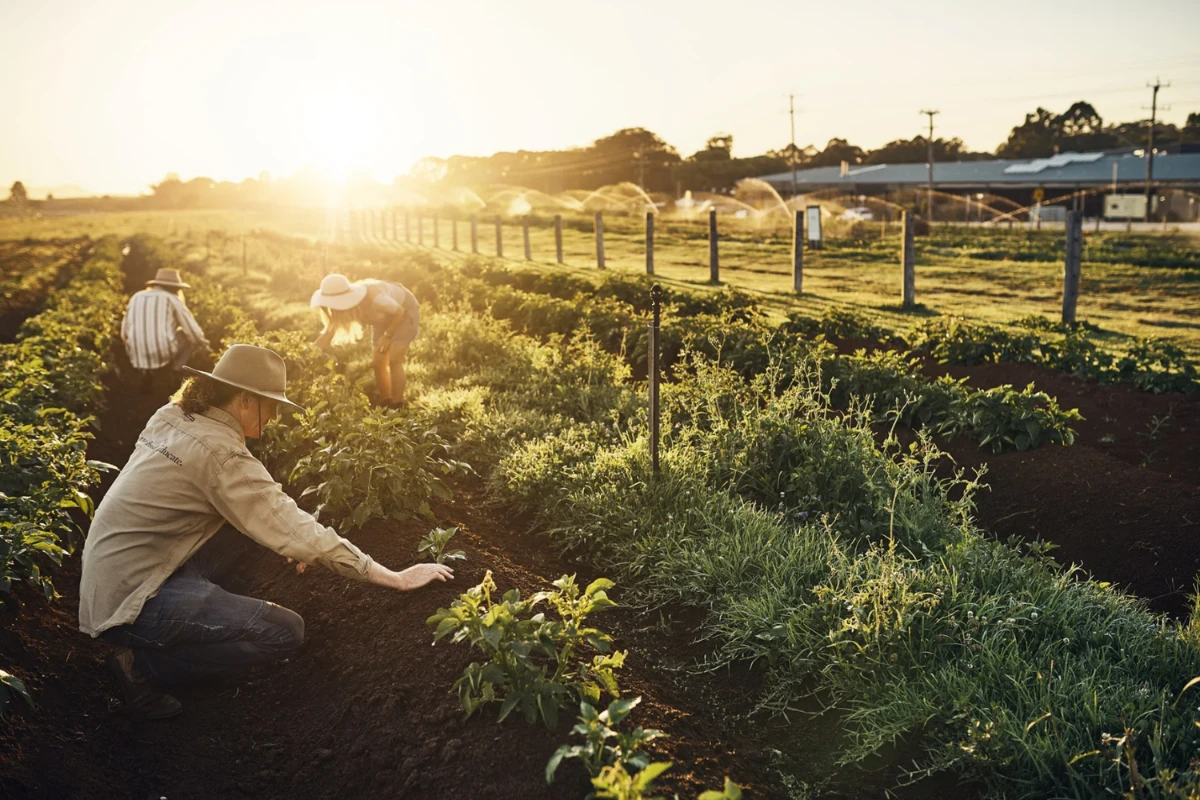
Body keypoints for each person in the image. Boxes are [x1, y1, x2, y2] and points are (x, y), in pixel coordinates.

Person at [79, 344, 453, 720]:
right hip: (133, 603)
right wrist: (393, 577)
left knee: (253, 535)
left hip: (112, 574)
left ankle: (204, 616)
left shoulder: (173, 415)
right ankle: (142, 667)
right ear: (244, 400)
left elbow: (262, 515)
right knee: (284, 631)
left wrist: (285, 539)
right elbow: (293, 525)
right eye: (272, 405)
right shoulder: (221, 454)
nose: (275, 416)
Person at [310, 273, 420, 407]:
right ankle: (386, 401)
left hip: (404, 312)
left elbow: (399, 312)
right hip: (383, 317)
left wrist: (388, 336)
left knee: (394, 361)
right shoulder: (341, 310)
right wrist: (306, 354)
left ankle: (397, 405)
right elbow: (327, 334)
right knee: (378, 362)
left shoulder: (377, 300)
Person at [120, 268, 211, 393]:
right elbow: (192, 330)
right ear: (174, 287)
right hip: (162, 354)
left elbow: (124, 332)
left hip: (136, 355)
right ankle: (174, 371)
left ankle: (144, 372)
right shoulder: (172, 299)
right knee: (188, 337)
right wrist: (205, 347)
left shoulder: (137, 296)